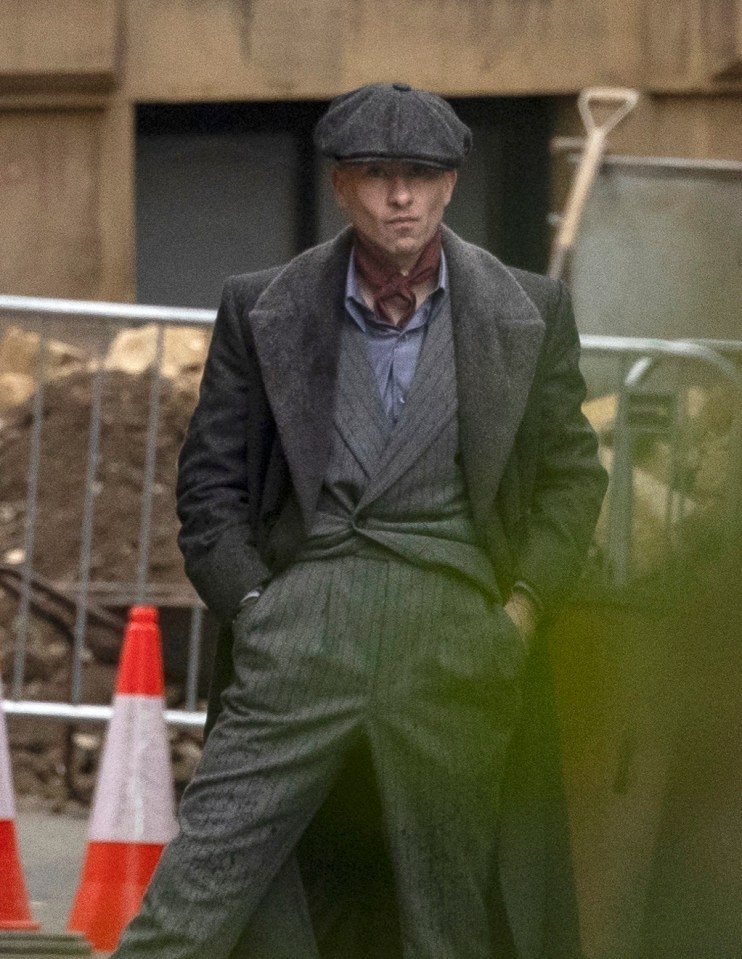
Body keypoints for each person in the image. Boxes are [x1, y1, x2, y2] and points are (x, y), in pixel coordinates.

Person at [112, 82, 608, 959]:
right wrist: (259, 610)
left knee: (447, 920)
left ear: (452, 182)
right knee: (192, 897)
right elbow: (210, 487)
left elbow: (572, 479)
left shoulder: (527, 311)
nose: (402, 196)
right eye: (377, 175)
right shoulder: (263, 305)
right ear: (341, 184)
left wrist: (519, 615)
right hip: (301, 627)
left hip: (455, 634)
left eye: (422, 173)